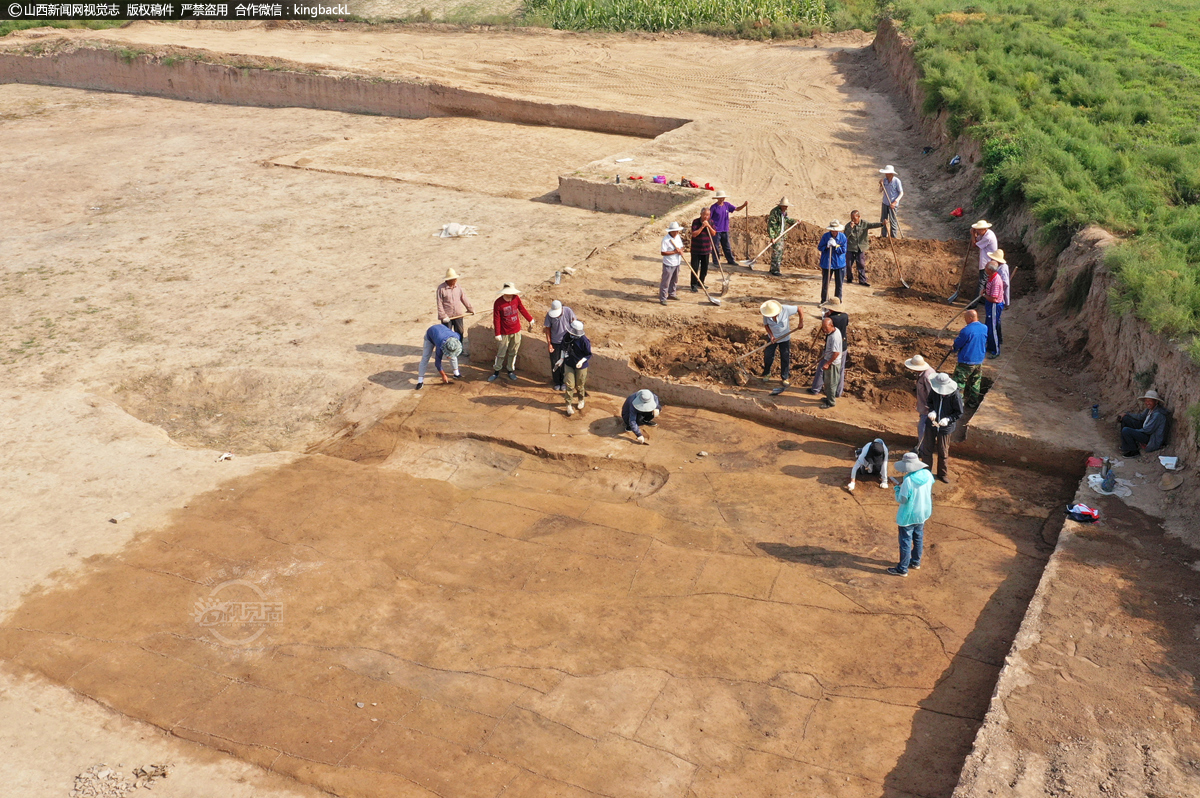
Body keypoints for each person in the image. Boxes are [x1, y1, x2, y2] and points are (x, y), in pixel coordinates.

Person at [887, 452, 934, 577]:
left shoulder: (908, 480)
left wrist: (897, 489)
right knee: (918, 537)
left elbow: (903, 500)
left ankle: (902, 568)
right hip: (923, 512)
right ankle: (915, 562)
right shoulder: (928, 474)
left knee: (905, 541)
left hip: (908, 515)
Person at [918, 372, 963, 484]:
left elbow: (959, 413)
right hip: (931, 425)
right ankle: (926, 472)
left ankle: (942, 474)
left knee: (943, 451)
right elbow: (930, 402)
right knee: (927, 449)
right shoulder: (934, 391)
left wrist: (948, 419)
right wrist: (932, 411)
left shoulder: (955, 395)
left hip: (945, 428)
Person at [489, 282, 533, 382]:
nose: (510, 295)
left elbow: (522, 309)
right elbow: (496, 319)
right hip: (504, 332)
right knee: (501, 353)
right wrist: (498, 333)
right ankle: (496, 371)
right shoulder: (498, 303)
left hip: (516, 330)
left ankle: (510, 370)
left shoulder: (516, 298)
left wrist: (530, 319)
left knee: (513, 352)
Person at [759, 299, 803, 387]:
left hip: (785, 338)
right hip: (773, 338)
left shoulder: (786, 309)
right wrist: (771, 335)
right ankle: (767, 373)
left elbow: (799, 308)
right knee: (768, 355)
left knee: (785, 357)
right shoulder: (766, 313)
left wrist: (801, 322)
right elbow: (766, 325)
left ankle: (785, 377)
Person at [810, 301, 848, 397]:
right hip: (843, 346)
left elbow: (826, 330)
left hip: (832, 347)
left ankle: (815, 389)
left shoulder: (830, 319)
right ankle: (838, 392)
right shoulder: (845, 316)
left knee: (822, 367)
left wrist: (826, 317)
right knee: (840, 369)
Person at [951, 310, 987, 410]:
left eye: (966, 319)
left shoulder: (966, 330)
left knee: (959, 382)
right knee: (975, 382)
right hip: (979, 360)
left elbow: (958, 343)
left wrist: (954, 348)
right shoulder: (984, 328)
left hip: (966, 361)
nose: (965, 321)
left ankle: (958, 404)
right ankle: (973, 402)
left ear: (970, 318)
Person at [1117, 390, 1168, 457]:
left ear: (1156, 402)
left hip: (1151, 438)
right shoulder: (1150, 409)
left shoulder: (1157, 414)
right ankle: (1126, 445)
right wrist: (1127, 414)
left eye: (1150, 401)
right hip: (1146, 430)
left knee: (1126, 430)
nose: (1147, 403)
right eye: (1146, 401)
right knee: (1126, 419)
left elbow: (1148, 430)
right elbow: (1141, 417)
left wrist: (1134, 431)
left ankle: (1134, 451)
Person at [436, 268, 474, 356]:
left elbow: (463, 297)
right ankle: (447, 350)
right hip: (447, 316)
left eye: (456, 279)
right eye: (453, 279)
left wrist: (470, 308)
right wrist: (443, 316)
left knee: (460, 332)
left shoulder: (458, 287)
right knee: (447, 334)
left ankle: (459, 349)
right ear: (448, 280)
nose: (455, 280)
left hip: (458, 314)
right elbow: (439, 303)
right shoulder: (441, 289)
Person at [415, 323, 462, 390]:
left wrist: (451, 353)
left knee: (453, 354)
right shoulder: (440, 347)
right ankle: (420, 381)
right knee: (425, 357)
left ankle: (456, 374)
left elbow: (453, 346)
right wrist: (443, 375)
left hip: (441, 331)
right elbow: (437, 362)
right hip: (430, 335)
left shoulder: (456, 338)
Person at [543, 300, 577, 391]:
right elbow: (548, 330)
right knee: (555, 363)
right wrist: (549, 344)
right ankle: (557, 382)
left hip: (567, 343)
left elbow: (574, 324)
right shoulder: (549, 316)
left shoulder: (568, 311)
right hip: (555, 343)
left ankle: (565, 382)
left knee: (566, 363)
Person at [560, 319, 592, 417]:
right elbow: (564, 347)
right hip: (569, 363)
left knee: (579, 385)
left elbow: (588, 354)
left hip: (581, 366)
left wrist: (581, 361)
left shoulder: (584, 341)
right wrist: (561, 359)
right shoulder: (567, 336)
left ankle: (581, 399)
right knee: (569, 385)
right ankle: (568, 405)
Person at [844, 210, 883, 286]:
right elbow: (845, 236)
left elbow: (873, 225)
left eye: (854, 218)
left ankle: (862, 280)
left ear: (859, 217)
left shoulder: (864, 223)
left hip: (860, 247)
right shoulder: (848, 225)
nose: (853, 220)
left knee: (861, 264)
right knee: (848, 264)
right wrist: (850, 229)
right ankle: (849, 278)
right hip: (850, 247)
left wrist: (882, 224)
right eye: (851, 218)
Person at [904, 353, 937, 441]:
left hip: (928, 408)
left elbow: (933, 394)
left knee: (923, 428)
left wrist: (932, 409)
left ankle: (922, 449)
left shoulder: (927, 376)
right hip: (924, 406)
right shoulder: (921, 374)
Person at [710, 190, 747, 266]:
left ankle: (730, 260)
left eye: (723, 198)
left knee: (726, 246)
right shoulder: (714, 207)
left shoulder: (727, 205)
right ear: (717, 198)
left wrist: (744, 205)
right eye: (720, 198)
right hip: (716, 230)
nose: (722, 199)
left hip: (725, 229)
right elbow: (709, 218)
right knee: (716, 246)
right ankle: (716, 261)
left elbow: (736, 209)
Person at [817, 220, 848, 304]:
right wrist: (827, 246)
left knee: (839, 285)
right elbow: (820, 247)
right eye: (832, 230)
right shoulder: (825, 236)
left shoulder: (843, 237)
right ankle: (824, 300)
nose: (834, 232)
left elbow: (844, 250)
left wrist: (836, 246)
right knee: (825, 284)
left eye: (836, 230)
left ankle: (838, 301)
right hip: (827, 263)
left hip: (839, 264)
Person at [982, 256, 1006, 359]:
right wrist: (985, 291)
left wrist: (983, 296)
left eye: (986, 268)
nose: (985, 269)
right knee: (988, 326)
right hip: (990, 304)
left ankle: (996, 350)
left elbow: (994, 298)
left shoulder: (996, 281)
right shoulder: (990, 277)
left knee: (993, 328)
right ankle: (990, 346)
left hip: (994, 306)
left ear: (991, 270)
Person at [817, 316, 843, 409]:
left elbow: (836, 353)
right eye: (823, 328)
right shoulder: (834, 331)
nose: (824, 330)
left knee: (831, 384)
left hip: (833, 363)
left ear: (831, 325)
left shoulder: (834, 337)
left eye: (826, 328)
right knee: (827, 382)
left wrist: (828, 363)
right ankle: (828, 398)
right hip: (829, 359)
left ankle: (831, 402)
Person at [766, 197, 795, 276]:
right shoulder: (774, 212)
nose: (786, 207)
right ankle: (775, 270)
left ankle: (774, 269)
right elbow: (771, 225)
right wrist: (772, 237)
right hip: (776, 235)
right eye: (785, 206)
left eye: (787, 206)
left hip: (782, 235)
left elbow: (787, 220)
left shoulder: (785, 212)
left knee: (779, 252)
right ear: (781, 205)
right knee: (776, 252)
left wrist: (795, 222)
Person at [690, 208, 716, 292]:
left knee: (704, 268)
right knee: (695, 267)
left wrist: (708, 226)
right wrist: (702, 226)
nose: (706, 217)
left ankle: (701, 282)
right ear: (701, 214)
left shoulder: (711, 222)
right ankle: (693, 285)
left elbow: (714, 233)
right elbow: (694, 234)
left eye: (708, 215)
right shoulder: (695, 222)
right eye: (705, 214)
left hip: (706, 249)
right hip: (696, 250)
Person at [970, 220, 998, 298]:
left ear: (984, 229)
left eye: (979, 229)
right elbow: (975, 241)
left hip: (988, 263)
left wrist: (973, 234)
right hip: (986, 261)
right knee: (985, 282)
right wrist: (974, 234)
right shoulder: (985, 234)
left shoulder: (988, 237)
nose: (978, 231)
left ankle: (974, 303)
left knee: (982, 282)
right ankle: (983, 299)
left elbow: (974, 245)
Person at [659, 221, 685, 305]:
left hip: (677, 262)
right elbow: (663, 252)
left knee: (674, 280)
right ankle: (663, 297)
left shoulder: (678, 237)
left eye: (677, 231)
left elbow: (682, 247)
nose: (677, 232)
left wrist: (681, 250)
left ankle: (672, 294)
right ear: (671, 231)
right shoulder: (665, 240)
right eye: (675, 231)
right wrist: (674, 252)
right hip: (668, 264)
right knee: (666, 281)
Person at [879, 165, 903, 237]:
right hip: (885, 203)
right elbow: (880, 191)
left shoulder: (897, 181)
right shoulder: (885, 181)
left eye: (887, 173)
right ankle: (883, 236)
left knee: (893, 221)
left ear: (891, 173)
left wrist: (895, 202)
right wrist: (881, 185)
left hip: (893, 205)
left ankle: (893, 238)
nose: (886, 174)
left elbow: (901, 193)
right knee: (883, 220)